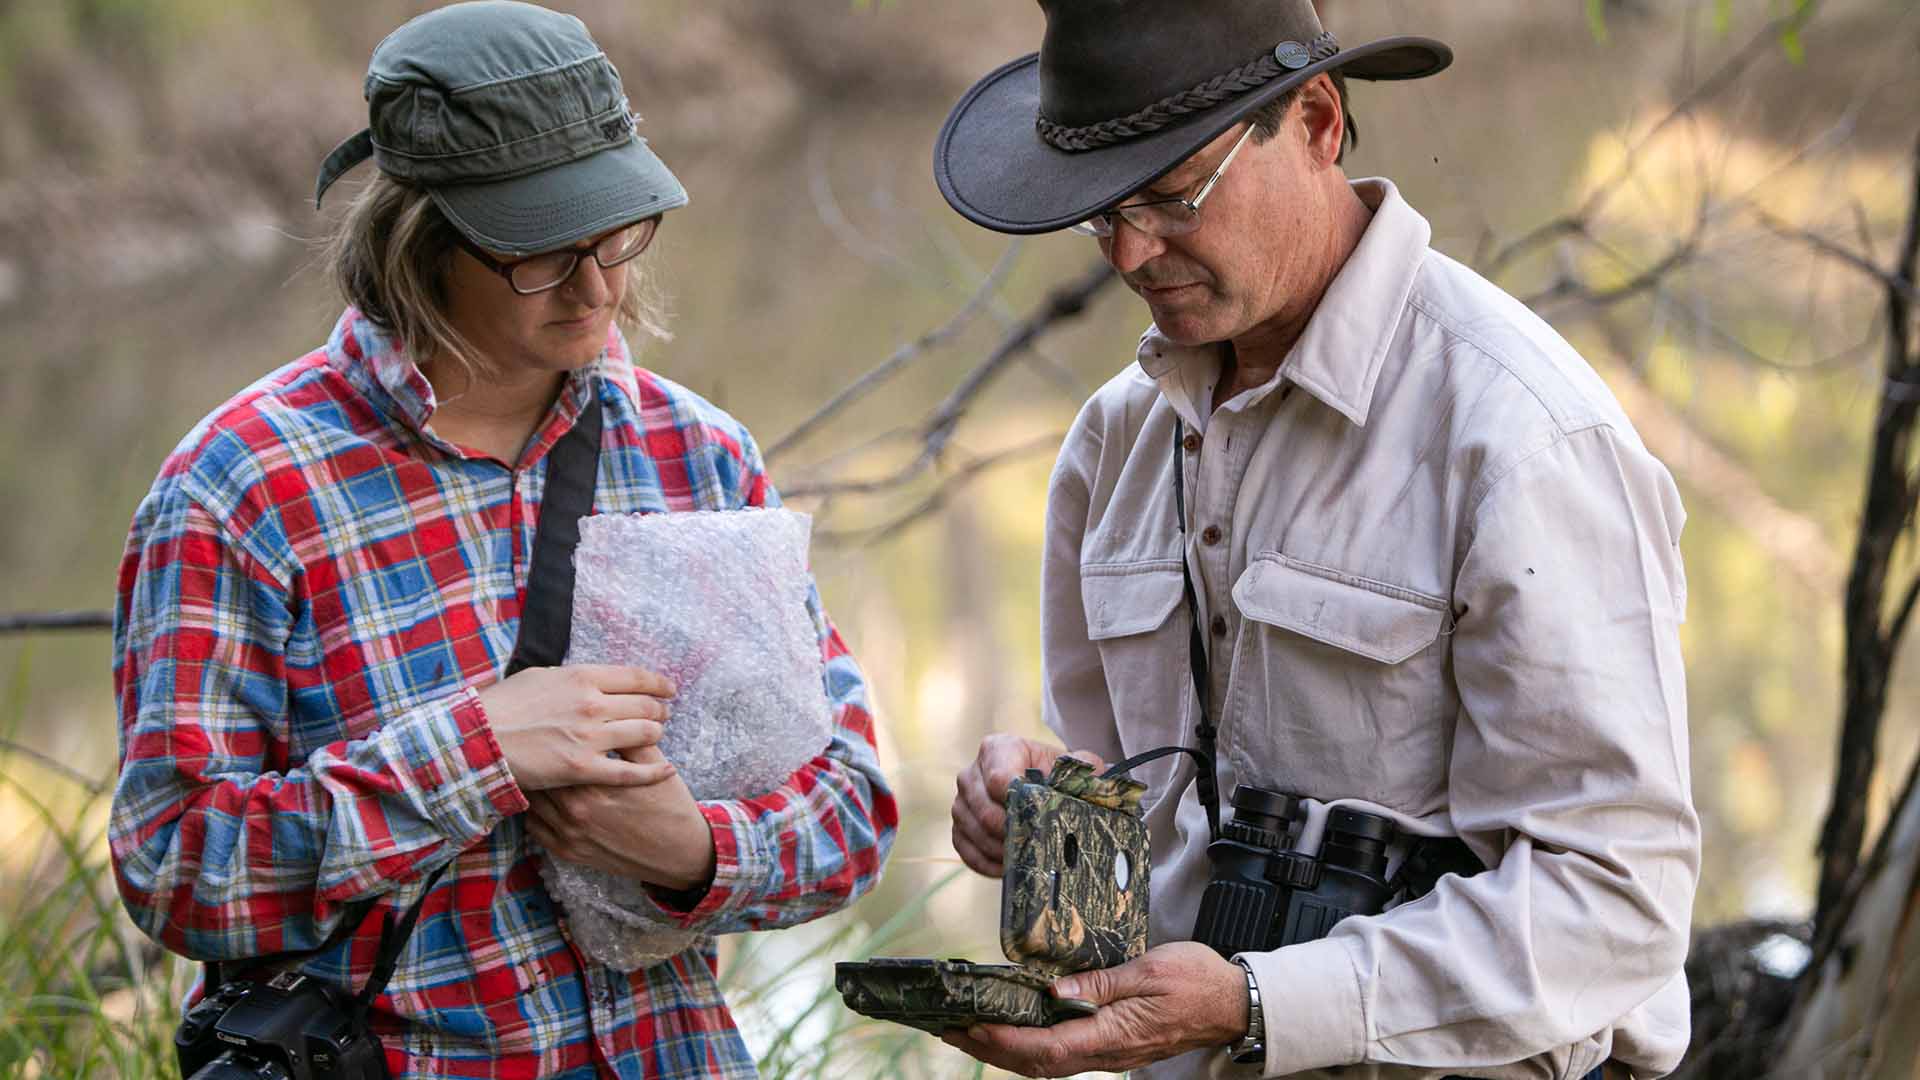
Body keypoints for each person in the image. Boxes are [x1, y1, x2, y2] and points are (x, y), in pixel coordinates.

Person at [107, 3, 896, 1076]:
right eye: (540, 251)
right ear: (417, 236)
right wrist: (471, 751)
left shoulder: (697, 457)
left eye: (618, 234)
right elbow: (178, 872)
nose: (598, 285)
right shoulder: (242, 491)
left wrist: (693, 850)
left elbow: (851, 808)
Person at [939, 2, 1697, 1078]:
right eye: (1101, 214)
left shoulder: (1520, 437)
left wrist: (1260, 1001)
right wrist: (1043, 816)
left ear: (1316, 121)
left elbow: (1616, 907)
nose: (1132, 254)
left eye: (1169, 196)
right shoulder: (1116, 438)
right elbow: (1134, 816)